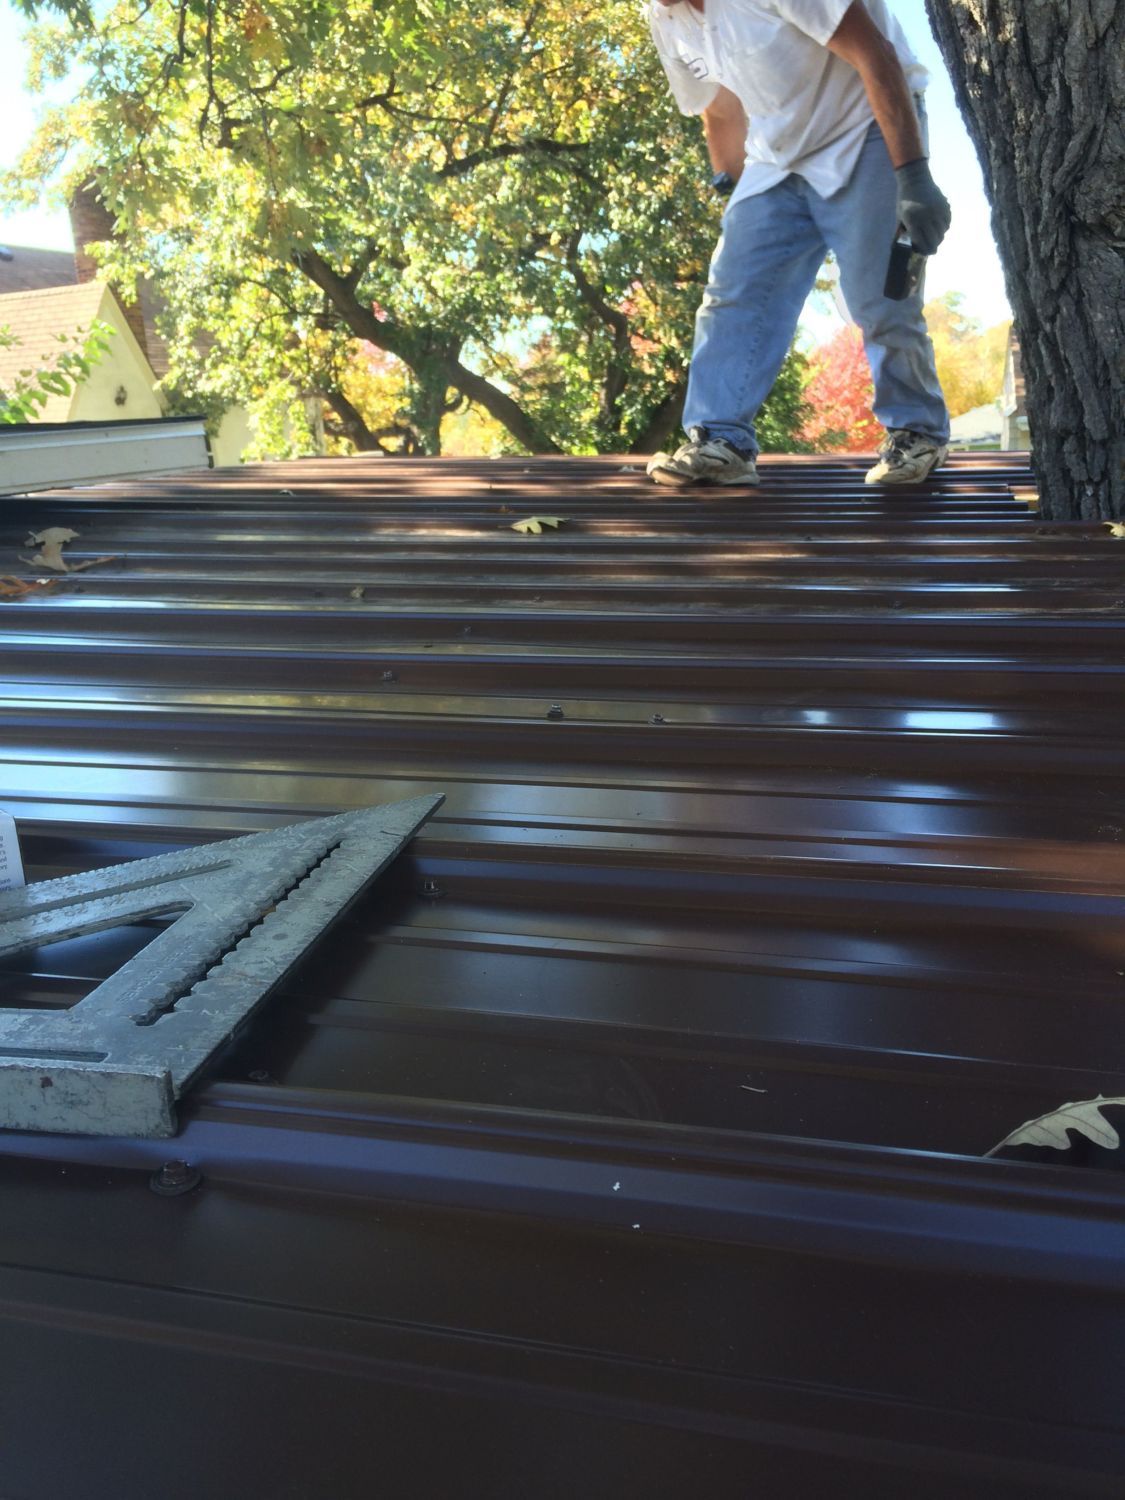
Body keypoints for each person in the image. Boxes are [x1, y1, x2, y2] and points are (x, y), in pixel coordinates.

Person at [645, 0, 952, 489]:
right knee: (732, 293)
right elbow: (720, 106)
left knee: (878, 297)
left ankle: (918, 432)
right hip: (775, 153)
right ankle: (721, 442)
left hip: (863, 125)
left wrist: (912, 176)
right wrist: (731, 192)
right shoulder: (665, 15)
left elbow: (875, 53)